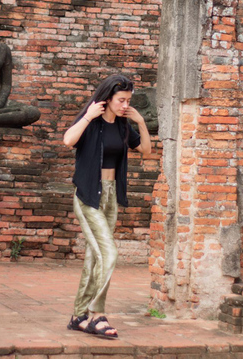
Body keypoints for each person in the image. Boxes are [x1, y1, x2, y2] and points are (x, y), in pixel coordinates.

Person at [63, 74, 151, 339]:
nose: (125, 105)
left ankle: (78, 315)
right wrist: (88, 116)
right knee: (109, 253)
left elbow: (145, 150)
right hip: (89, 196)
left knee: (95, 256)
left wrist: (142, 122)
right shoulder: (91, 121)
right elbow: (68, 140)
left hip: (110, 196)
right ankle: (97, 315)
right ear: (108, 99)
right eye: (121, 100)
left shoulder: (124, 127)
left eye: (128, 101)